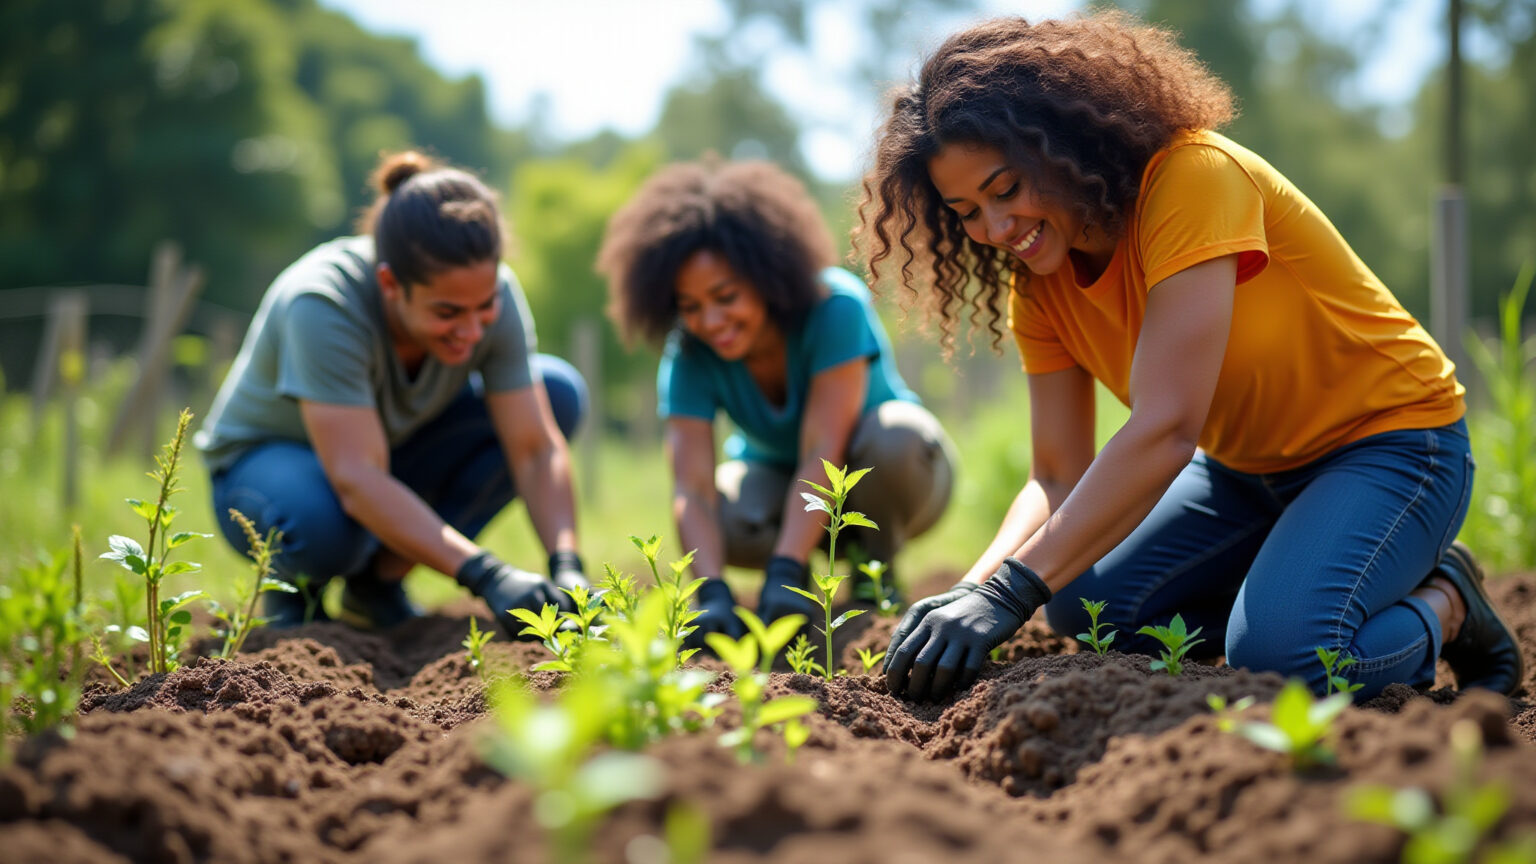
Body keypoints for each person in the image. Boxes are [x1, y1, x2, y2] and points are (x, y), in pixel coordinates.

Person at [859, 12, 1524, 702]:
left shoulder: (1192, 180)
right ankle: (1295, 576)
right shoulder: (1038, 283)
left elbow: (1167, 427)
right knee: (1086, 606)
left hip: (1393, 446)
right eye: (965, 211)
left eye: (1005, 190)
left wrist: (1008, 590)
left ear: (1061, 148)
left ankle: (1447, 603)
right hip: (1245, 470)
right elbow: (1056, 473)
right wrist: (974, 589)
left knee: (1286, 661)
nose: (995, 229)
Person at [196, 150, 591, 639]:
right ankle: (297, 587)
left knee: (557, 392)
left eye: (483, 307)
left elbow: (533, 448)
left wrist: (568, 566)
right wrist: (488, 576)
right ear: (390, 284)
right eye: (447, 312)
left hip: (382, 455)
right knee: (321, 528)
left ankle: (376, 588)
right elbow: (357, 477)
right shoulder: (322, 302)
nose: (471, 330)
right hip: (268, 469)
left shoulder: (497, 295)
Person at [596, 158, 956, 643]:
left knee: (893, 440)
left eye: (726, 296)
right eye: (692, 307)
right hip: (783, 486)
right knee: (727, 509)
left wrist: (783, 568)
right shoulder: (690, 354)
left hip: (894, 479)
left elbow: (823, 449)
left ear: (767, 278)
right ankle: (803, 591)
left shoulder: (835, 308)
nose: (712, 320)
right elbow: (693, 489)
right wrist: (712, 592)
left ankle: (876, 579)